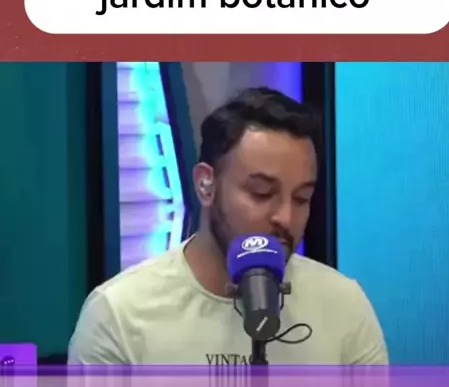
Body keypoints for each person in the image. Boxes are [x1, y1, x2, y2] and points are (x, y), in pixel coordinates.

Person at [68, 87, 388, 366]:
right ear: (206, 185)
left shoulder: (344, 307)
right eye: (262, 193)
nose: (286, 218)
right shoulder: (118, 316)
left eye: (302, 198)